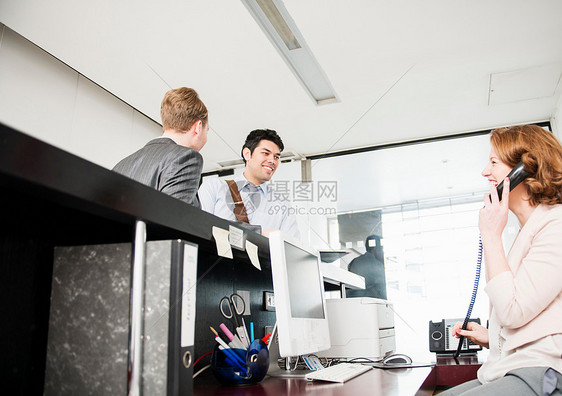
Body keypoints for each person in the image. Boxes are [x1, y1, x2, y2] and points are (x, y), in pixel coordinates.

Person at [442, 124, 562, 395]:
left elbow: (513, 310)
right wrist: (490, 337)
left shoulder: (556, 223)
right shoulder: (528, 229)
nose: (485, 171)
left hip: (543, 370)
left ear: (525, 169)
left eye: (494, 162)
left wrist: (491, 235)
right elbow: (530, 312)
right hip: (519, 364)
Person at [113, 87, 209, 207]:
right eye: (207, 130)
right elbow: (176, 218)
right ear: (198, 127)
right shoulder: (186, 158)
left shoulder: (121, 165)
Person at [198, 129, 300, 239]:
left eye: (276, 157)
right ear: (247, 154)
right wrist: (259, 234)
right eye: (266, 153)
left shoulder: (282, 204)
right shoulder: (214, 187)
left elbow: (292, 245)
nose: (272, 161)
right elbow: (201, 227)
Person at [346, 235, 387, 299]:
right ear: (376, 249)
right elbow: (382, 291)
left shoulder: (353, 262)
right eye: (381, 249)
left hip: (353, 303)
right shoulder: (378, 265)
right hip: (370, 304)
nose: (382, 252)